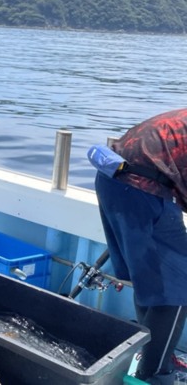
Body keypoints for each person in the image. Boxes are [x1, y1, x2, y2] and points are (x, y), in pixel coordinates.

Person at [89, 109, 187, 385]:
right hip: (143, 189)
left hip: (114, 181)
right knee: (178, 287)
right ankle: (155, 372)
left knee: (150, 280)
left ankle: (152, 355)